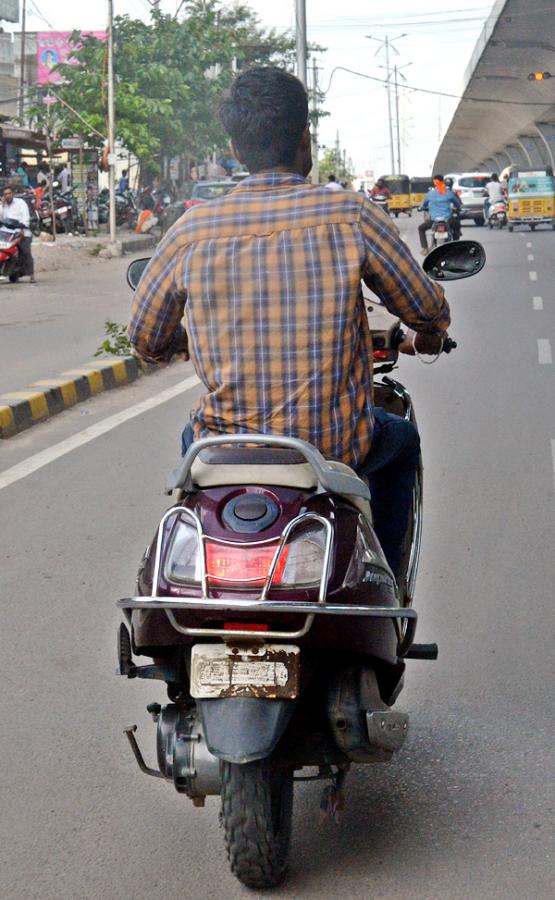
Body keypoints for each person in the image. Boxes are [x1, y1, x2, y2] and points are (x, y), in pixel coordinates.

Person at [128, 67, 450, 579]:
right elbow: (426, 308)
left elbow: (145, 340)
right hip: (332, 448)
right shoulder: (350, 213)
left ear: (235, 148)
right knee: (400, 440)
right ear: (306, 138)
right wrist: (429, 333)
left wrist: (183, 343)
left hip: (223, 449)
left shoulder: (190, 230)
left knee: (191, 447)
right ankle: (386, 589)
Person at [0, 185, 36, 283]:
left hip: (21, 231)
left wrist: (22, 230)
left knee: (25, 251)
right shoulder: (3, 205)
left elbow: (25, 218)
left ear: (13, 194)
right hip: (6, 232)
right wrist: (2, 206)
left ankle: (31, 274)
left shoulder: (21, 203)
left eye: (9, 193)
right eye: (5, 194)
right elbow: (1, 218)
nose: (7, 196)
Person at [418, 174, 462, 254]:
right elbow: (457, 204)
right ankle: (456, 246)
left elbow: (423, 205)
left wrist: (420, 208)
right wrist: (458, 208)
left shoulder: (429, 194)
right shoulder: (449, 193)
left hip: (434, 220)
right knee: (457, 226)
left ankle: (424, 248)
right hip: (447, 220)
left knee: (421, 228)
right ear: (443, 182)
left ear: (434, 183)